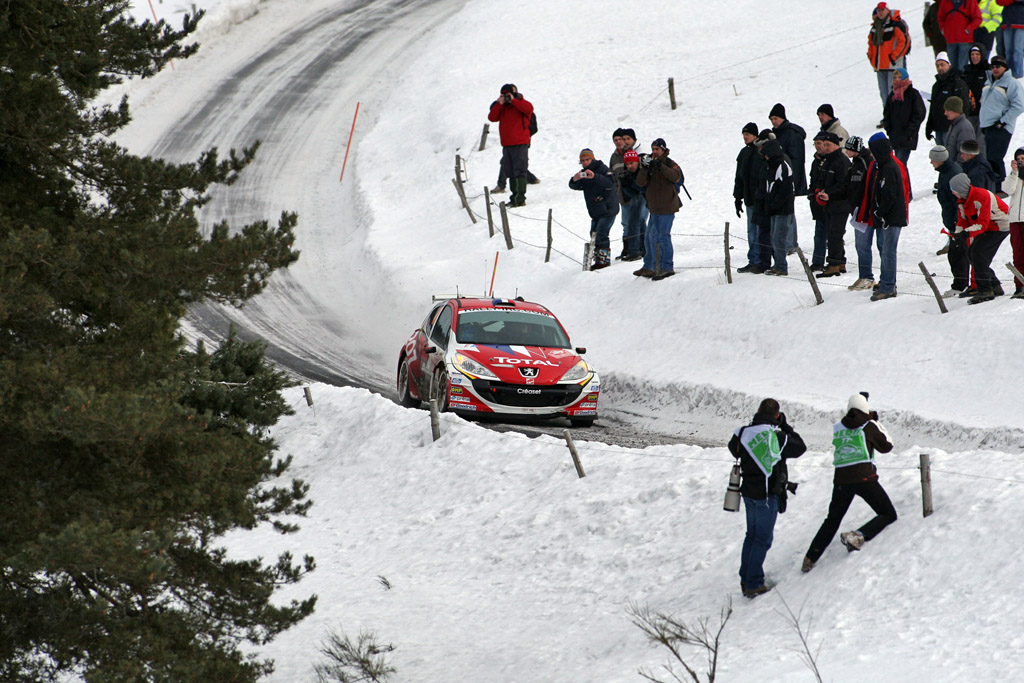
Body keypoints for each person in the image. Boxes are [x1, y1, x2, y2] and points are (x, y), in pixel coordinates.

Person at [801, 393, 897, 573]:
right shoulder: (868, 425)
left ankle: (810, 557)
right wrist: (875, 422)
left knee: (832, 519)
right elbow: (887, 446)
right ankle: (858, 535)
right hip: (864, 479)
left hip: (841, 480)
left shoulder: (838, 427)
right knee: (888, 513)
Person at [728, 398, 806, 597]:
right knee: (762, 539)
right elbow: (799, 447)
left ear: (758, 411)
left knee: (751, 536)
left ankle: (746, 579)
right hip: (767, 493)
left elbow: (732, 448)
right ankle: (754, 583)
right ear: (777, 416)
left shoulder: (742, 432)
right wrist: (785, 427)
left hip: (748, 492)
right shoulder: (776, 436)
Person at [950, 172, 1011, 302]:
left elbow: (982, 224)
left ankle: (985, 290)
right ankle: (994, 285)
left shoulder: (981, 195)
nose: (953, 193)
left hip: (1000, 225)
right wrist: (958, 233)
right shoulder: (962, 200)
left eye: (954, 190)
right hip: (988, 227)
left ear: (961, 188)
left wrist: (966, 232)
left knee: (978, 253)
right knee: (971, 253)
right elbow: (962, 220)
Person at [868, 133, 909, 301]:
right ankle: (886, 282)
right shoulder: (884, 166)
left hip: (891, 218)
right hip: (888, 217)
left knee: (888, 251)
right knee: (886, 250)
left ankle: (888, 286)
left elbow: (890, 195)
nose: (870, 154)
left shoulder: (889, 168)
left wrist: (880, 212)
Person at [634, 138, 683, 281]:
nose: (654, 152)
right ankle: (650, 266)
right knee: (650, 237)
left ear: (663, 150)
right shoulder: (650, 163)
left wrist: (660, 166)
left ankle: (667, 267)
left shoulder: (670, 163)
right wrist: (644, 167)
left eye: (657, 149)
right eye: (653, 149)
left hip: (667, 206)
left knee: (663, 237)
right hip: (654, 207)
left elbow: (676, 177)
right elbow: (640, 182)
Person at [809, 131, 852, 278]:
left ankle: (834, 265)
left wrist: (829, 193)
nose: (825, 147)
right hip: (829, 203)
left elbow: (844, 185)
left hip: (841, 204)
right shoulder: (828, 161)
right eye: (824, 144)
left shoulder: (842, 161)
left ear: (836, 145)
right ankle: (839, 262)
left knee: (835, 234)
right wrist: (818, 191)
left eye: (828, 145)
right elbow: (821, 179)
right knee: (833, 234)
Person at [929, 145, 970, 296]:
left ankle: (961, 285)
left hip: (958, 222)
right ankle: (962, 284)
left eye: (932, 159)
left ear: (939, 160)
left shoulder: (952, 173)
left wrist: (957, 223)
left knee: (957, 255)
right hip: (953, 221)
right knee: (956, 254)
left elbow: (958, 201)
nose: (931, 162)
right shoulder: (945, 171)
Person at [569, 149, 618, 271]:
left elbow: (610, 183)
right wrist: (575, 179)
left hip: (608, 209)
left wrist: (595, 176)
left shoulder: (602, 168)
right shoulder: (584, 172)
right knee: (593, 234)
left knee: (602, 234)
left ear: (593, 158)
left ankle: (603, 262)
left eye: (587, 160)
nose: (585, 163)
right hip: (595, 211)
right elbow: (575, 186)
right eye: (582, 161)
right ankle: (598, 259)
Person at [978, 55, 1024, 182]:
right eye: (992, 66)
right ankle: (994, 186)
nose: (995, 69)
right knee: (989, 159)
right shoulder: (988, 81)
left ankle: (1000, 187)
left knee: (995, 158)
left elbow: (1019, 105)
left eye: (998, 66)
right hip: (987, 126)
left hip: (1001, 127)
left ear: (1005, 67)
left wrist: (1002, 122)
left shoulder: (1012, 83)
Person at [488, 84, 534, 207]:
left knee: (520, 171)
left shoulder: (522, 103)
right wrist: (499, 103)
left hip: (520, 142)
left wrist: (513, 100)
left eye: (508, 94)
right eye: (504, 94)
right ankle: (514, 198)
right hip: (507, 144)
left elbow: (529, 110)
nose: (507, 97)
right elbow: (492, 117)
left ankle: (520, 199)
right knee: (511, 172)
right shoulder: (502, 107)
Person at [769, 103, 806, 253]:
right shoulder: (777, 134)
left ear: (783, 118)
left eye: (776, 118)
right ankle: (786, 243)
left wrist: (793, 181)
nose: (773, 121)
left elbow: (797, 160)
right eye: (771, 119)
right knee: (784, 211)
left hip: (790, 179)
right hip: (781, 178)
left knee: (789, 211)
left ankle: (791, 243)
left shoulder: (792, 134)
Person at [882, 67, 927, 184]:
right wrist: (889, 130)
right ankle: (906, 192)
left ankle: (905, 192)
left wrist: (909, 131)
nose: (896, 80)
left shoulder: (913, 94)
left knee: (900, 164)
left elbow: (919, 113)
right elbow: (886, 114)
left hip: (907, 137)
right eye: (894, 77)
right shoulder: (892, 95)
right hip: (895, 137)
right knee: (899, 165)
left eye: (899, 77)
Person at [847, 136, 880, 290]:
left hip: (865, 211)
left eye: (849, 148)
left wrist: (864, 207)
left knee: (863, 244)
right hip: (857, 210)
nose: (846, 151)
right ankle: (864, 275)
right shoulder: (856, 163)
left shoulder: (867, 163)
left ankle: (867, 277)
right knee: (860, 245)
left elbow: (868, 187)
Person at [760, 136, 796, 276]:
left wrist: (774, 204)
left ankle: (781, 266)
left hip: (783, 210)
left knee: (778, 238)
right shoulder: (771, 166)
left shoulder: (782, 167)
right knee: (774, 238)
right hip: (774, 209)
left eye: (767, 155)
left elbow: (785, 190)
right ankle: (778, 265)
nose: (766, 158)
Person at [868, 3, 911, 118]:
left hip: (894, 66)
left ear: (887, 10)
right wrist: (873, 60)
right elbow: (871, 46)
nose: (880, 12)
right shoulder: (875, 28)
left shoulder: (895, 25)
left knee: (894, 92)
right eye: (878, 10)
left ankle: (897, 115)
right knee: (884, 93)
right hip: (880, 67)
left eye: (882, 10)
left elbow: (903, 42)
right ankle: (888, 116)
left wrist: (893, 57)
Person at [735, 122, 767, 273]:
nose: (745, 137)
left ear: (755, 135)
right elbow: (739, 178)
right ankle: (753, 259)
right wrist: (737, 197)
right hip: (749, 198)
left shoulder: (761, 152)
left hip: (760, 198)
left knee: (759, 229)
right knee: (751, 230)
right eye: (744, 135)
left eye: (747, 134)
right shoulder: (744, 153)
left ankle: (761, 259)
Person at [610, 128, 646, 260]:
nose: (621, 142)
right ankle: (629, 248)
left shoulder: (635, 154)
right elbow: (613, 177)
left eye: (623, 139)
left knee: (638, 221)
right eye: (617, 140)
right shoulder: (614, 157)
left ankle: (638, 249)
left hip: (638, 194)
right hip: (623, 194)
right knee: (627, 222)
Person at [925, 53, 973, 146]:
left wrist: (961, 126)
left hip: (952, 127)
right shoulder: (936, 85)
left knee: (950, 156)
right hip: (939, 128)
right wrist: (929, 126)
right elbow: (933, 107)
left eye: (942, 64)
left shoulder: (957, 83)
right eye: (937, 65)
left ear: (949, 65)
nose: (940, 68)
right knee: (941, 157)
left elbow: (965, 105)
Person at [1001, 147, 1024, 298]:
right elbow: (1007, 189)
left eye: (1023, 158)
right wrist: (1014, 172)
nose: (1021, 161)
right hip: (1015, 219)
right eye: (1019, 158)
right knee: (1018, 254)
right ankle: (1020, 285)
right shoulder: (1014, 175)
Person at [618, 149, 647, 261]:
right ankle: (640, 249)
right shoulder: (627, 174)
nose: (630, 166)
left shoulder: (643, 171)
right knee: (637, 222)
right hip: (636, 198)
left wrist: (631, 183)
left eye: (632, 163)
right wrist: (626, 183)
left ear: (637, 162)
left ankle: (635, 251)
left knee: (635, 223)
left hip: (644, 197)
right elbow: (630, 193)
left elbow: (642, 188)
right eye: (627, 164)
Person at [939, 0, 983, 70]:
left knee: (962, 67)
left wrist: (969, 29)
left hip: (964, 40)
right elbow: (940, 17)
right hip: (950, 39)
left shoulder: (970, 1)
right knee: (952, 68)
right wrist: (943, 30)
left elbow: (978, 18)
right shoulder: (945, 2)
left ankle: (961, 80)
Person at [962, 44, 991, 139]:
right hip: (970, 113)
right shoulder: (967, 71)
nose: (974, 57)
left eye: (977, 54)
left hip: (983, 113)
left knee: (981, 144)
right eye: (972, 54)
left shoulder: (988, 71)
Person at [943, 95, 977, 161]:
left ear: (956, 110)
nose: (945, 113)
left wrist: (956, 169)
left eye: (948, 110)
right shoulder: (954, 125)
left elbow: (966, 155)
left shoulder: (964, 128)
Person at [999, 0, 1024, 78]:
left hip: (1021, 22)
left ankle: (1018, 74)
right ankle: (1009, 73)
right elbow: (999, 2)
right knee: (1008, 50)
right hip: (1007, 22)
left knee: (1017, 50)